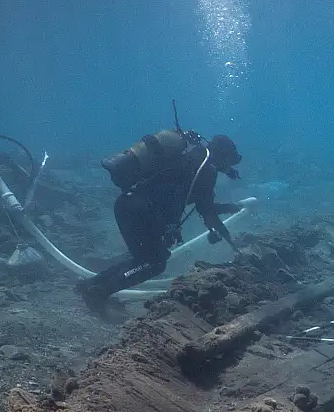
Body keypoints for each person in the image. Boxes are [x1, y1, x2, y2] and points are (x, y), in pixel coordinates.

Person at [77, 132, 244, 309]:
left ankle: (90, 285)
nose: (228, 166)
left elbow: (203, 206)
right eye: (229, 160)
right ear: (222, 154)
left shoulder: (190, 157)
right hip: (140, 212)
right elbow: (208, 212)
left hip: (128, 204)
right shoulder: (206, 169)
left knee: (144, 258)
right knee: (154, 263)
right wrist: (233, 237)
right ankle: (98, 293)